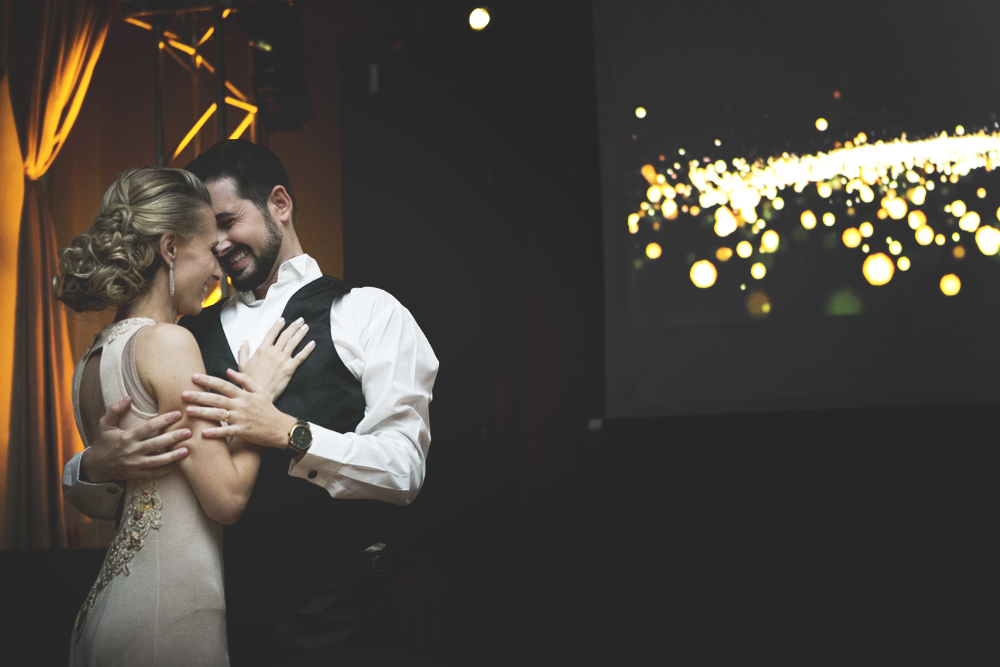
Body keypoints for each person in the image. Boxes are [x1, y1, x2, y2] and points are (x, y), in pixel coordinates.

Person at [62, 139, 439, 665]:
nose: (218, 244)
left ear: (278, 204)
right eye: (207, 231)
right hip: (219, 616)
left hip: (336, 614)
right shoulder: (181, 334)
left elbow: (404, 471)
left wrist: (291, 433)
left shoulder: (370, 312)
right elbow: (148, 476)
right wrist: (89, 467)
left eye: (228, 221)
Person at [56, 167, 313, 665]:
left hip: (106, 610)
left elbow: (114, 502)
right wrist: (257, 395)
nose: (219, 272)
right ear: (170, 248)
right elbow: (227, 498)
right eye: (211, 252)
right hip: (168, 613)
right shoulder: (169, 343)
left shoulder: (91, 359)